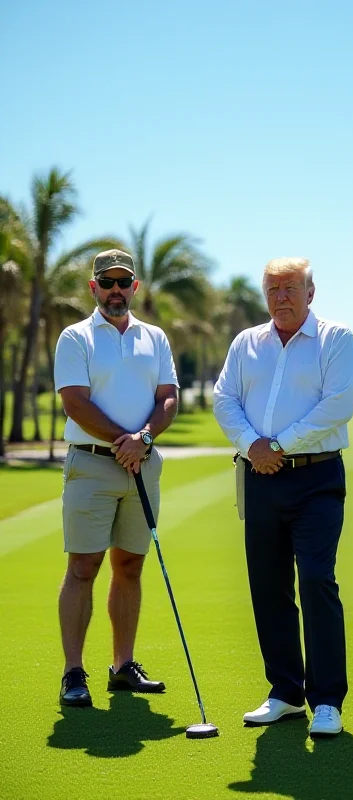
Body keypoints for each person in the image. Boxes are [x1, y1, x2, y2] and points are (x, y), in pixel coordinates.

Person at [213, 257, 353, 737]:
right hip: (259, 477)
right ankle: (284, 693)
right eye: (273, 288)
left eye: (291, 288)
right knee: (269, 586)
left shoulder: (335, 339)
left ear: (311, 292)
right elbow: (225, 398)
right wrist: (252, 447)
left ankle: (326, 701)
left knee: (317, 581)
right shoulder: (245, 343)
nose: (281, 297)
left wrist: (278, 445)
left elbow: (338, 405)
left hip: (316, 478)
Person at [54, 249, 179, 707]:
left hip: (142, 465)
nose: (115, 291)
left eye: (123, 282)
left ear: (135, 287)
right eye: (106, 282)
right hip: (91, 463)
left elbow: (168, 398)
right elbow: (76, 404)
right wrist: (125, 440)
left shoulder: (155, 338)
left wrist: (142, 439)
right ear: (93, 288)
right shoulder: (76, 337)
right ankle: (73, 673)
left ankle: (123, 666)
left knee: (130, 565)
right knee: (83, 567)